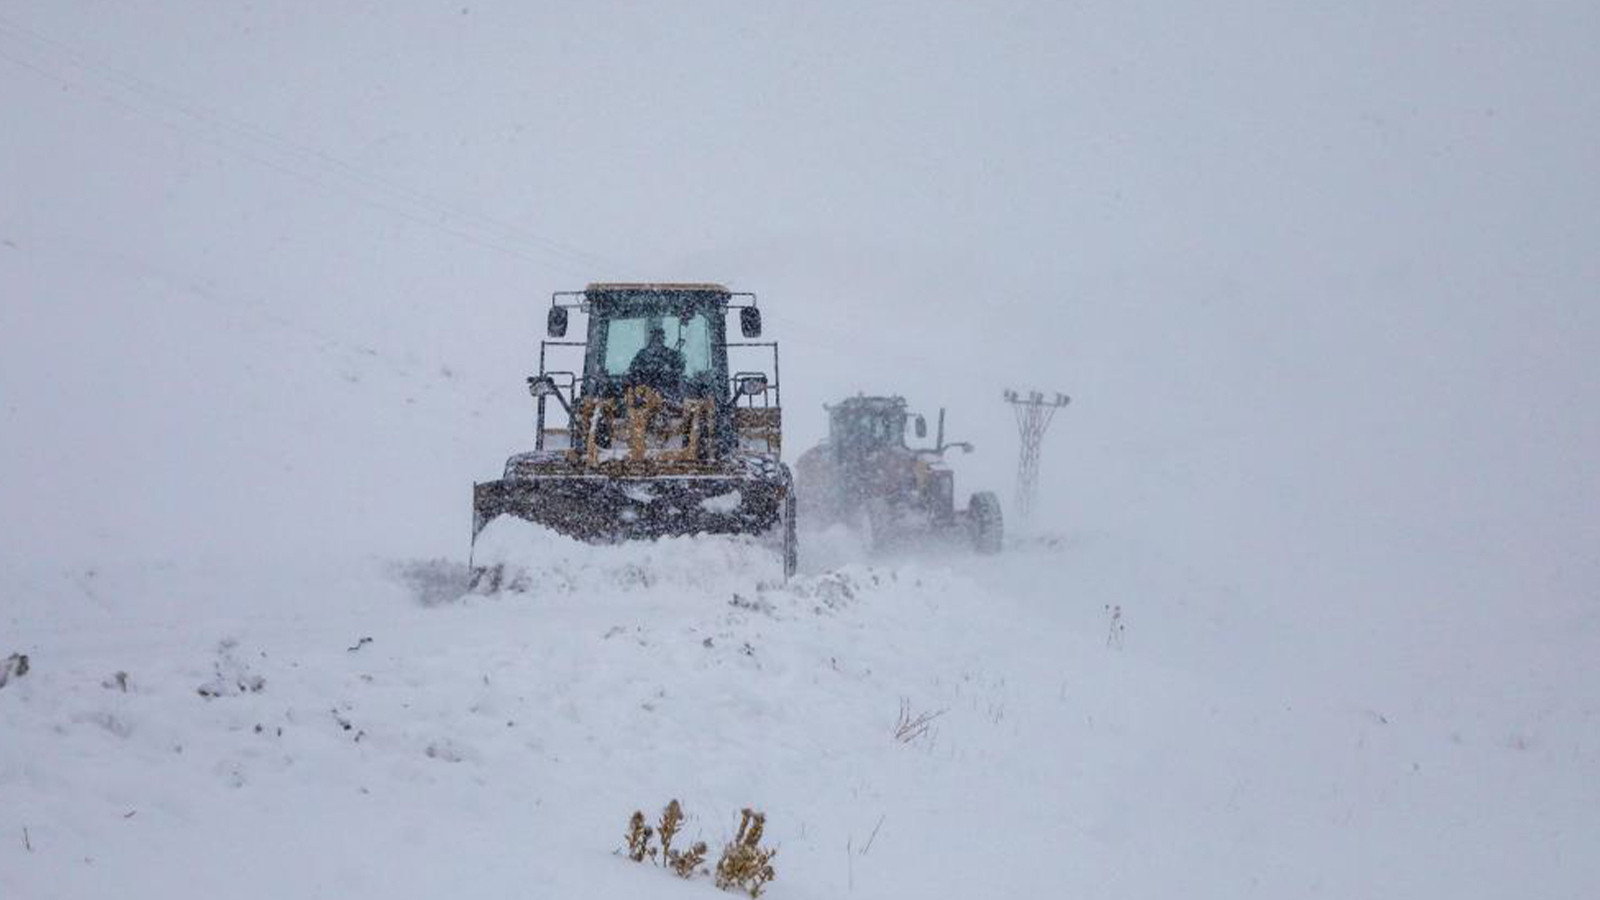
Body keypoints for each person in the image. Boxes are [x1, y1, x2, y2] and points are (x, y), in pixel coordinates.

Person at [627, 322, 685, 392]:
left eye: (661, 339)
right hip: (645, 393)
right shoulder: (642, 355)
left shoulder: (671, 354)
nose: (659, 341)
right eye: (656, 338)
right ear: (652, 340)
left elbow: (680, 369)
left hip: (667, 392)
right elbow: (633, 371)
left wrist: (671, 370)